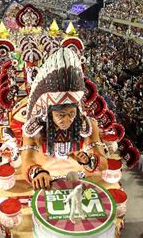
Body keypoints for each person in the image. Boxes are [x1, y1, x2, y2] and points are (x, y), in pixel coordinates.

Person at [20, 47, 109, 190]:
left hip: (77, 178)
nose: (67, 121)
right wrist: (36, 172)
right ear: (49, 112)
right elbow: (26, 158)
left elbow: (103, 163)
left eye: (71, 114)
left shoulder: (87, 125)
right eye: (61, 115)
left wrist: (88, 160)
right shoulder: (35, 127)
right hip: (47, 177)